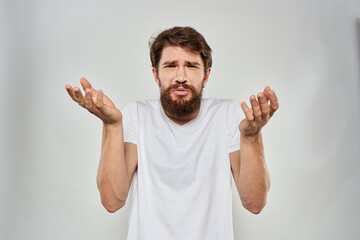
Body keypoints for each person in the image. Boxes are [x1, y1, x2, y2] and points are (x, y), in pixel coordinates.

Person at [65, 26, 279, 240]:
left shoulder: (227, 115)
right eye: (170, 65)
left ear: (206, 75)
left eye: (192, 65)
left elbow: (255, 203)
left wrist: (251, 137)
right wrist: (111, 125)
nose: (180, 77)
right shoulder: (137, 115)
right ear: (155, 74)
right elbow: (112, 201)